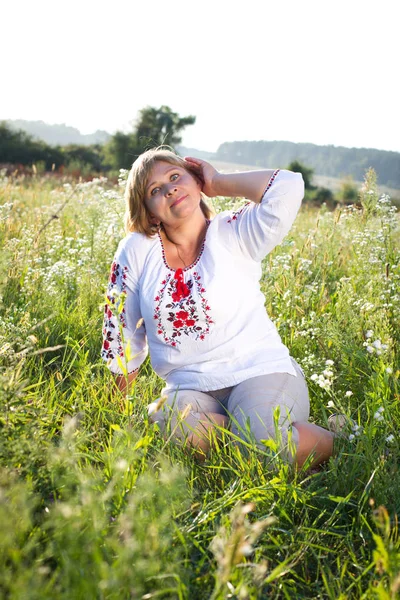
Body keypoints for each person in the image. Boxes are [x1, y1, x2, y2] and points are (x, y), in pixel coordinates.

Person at [101, 147, 334, 467]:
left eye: (175, 177)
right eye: (155, 190)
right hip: (191, 389)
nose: (169, 189)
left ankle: (336, 437)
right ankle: (257, 436)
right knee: (164, 426)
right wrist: (117, 415)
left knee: (262, 450)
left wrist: (218, 181)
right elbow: (121, 333)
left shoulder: (234, 230)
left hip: (260, 372)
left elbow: (288, 186)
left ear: (196, 183)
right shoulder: (137, 251)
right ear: (150, 212)